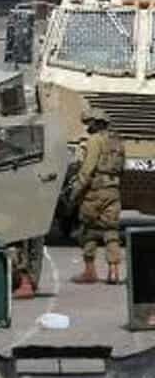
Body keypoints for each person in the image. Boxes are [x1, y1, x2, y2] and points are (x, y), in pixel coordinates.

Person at [70, 107, 124, 285]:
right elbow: (121, 168)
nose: (87, 127)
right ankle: (114, 271)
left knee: (88, 230)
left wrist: (75, 192)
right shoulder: (117, 141)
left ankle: (89, 271)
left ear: (95, 123)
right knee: (111, 231)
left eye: (89, 123)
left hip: (95, 192)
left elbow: (87, 170)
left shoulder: (94, 140)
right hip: (113, 190)